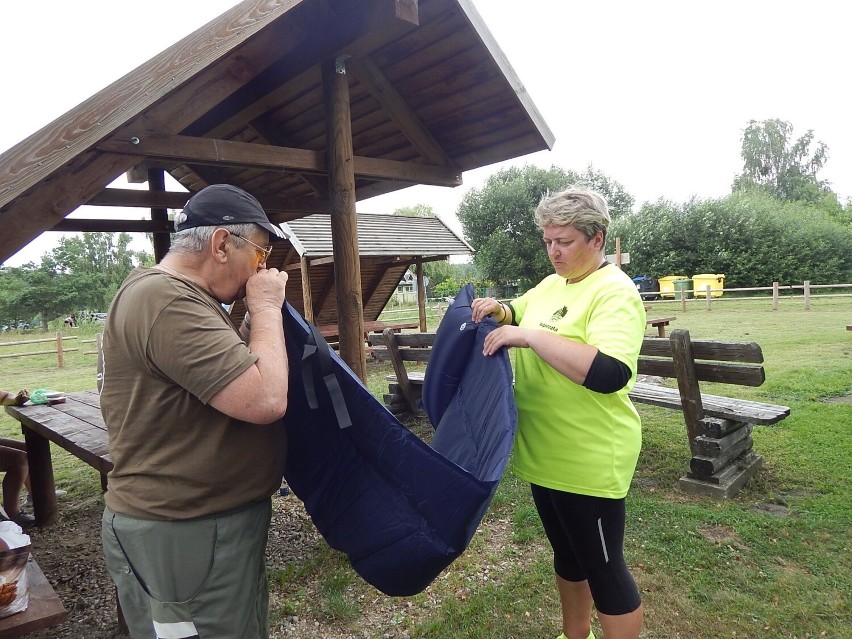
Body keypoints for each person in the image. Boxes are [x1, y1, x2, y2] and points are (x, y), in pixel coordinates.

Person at [99, 184, 290, 639]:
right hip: (187, 532)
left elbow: (221, 378)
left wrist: (246, 325)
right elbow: (265, 399)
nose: (261, 269)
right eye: (260, 256)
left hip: (195, 527)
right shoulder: (168, 299)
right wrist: (265, 308)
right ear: (223, 244)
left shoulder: (174, 296)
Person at [471, 187, 646, 639]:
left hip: (588, 458)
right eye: (548, 241)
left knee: (606, 572)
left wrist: (529, 338)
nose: (553, 251)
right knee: (569, 559)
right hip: (545, 455)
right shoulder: (552, 284)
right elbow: (520, 311)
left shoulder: (614, 291)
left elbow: (610, 371)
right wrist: (500, 310)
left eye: (564, 242)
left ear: (597, 238)